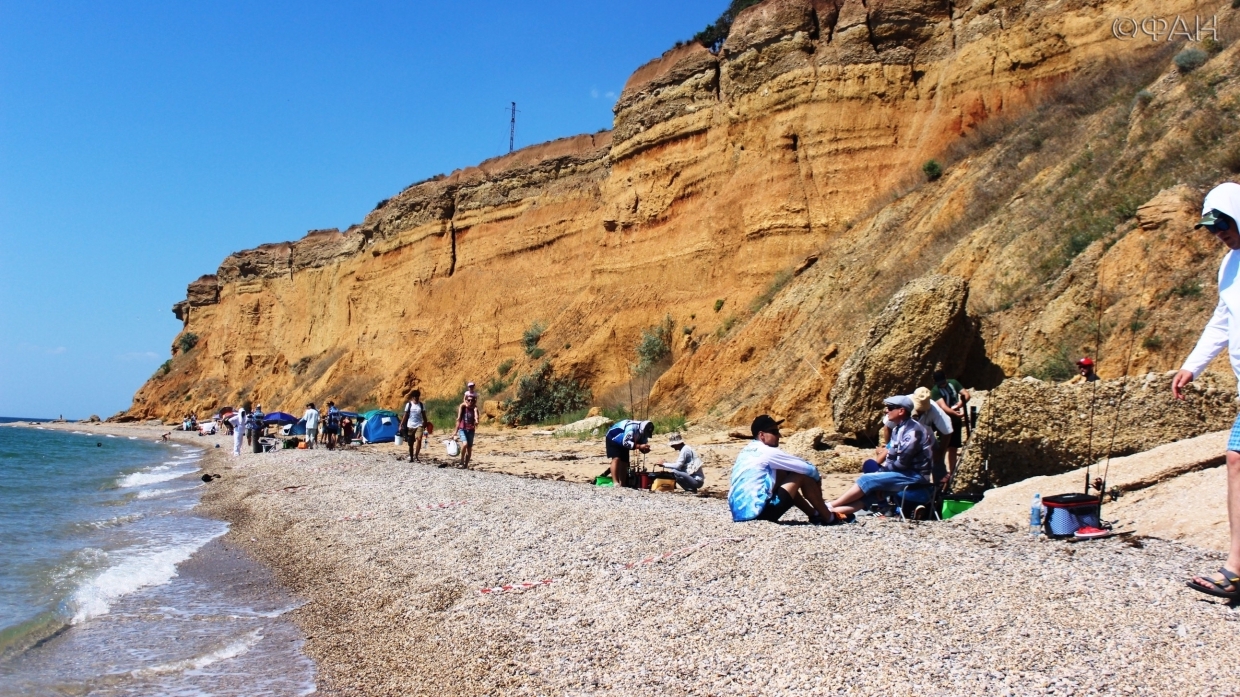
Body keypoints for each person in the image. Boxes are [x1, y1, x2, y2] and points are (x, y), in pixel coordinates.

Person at [1174, 183, 1240, 600]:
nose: (1219, 234)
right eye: (1213, 229)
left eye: (1224, 225)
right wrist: (1192, 365)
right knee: (1236, 460)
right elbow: (1221, 320)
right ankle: (1236, 568)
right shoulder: (1229, 266)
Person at [828, 396, 934, 517]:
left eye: (890, 408)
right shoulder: (897, 429)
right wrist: (882, 476)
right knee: (870, 495)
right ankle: (830, 511)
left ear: (901, 411)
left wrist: (881, 475)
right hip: (906, 473)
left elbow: (902, 463)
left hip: (915, 476)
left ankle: (832, 505)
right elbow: (891, 457)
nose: (886, 411)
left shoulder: (913, 432)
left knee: (866, 479)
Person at [728, 415, 838, 524]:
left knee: (781, 473)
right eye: (774, 432)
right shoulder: (768, 452)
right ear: (762, 435)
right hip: (758, 514)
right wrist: (817, 482)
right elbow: (810, 469)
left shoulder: (746, 450)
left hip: (738, 514)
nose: (779, 435)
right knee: (801, 475)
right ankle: (829, 517)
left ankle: (814, 514)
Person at [930, 370, 970, 475]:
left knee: (953, 447)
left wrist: (959, 405)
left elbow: (966, 394)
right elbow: (943, 407)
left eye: (943, 382)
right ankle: (940, 471)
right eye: (940, 383)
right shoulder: (935, 391)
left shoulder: (953, 383)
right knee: (942, 447)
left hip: (955, 421)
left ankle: (952, 471)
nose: (942, 384)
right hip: (943, 422)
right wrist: (953, 412)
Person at [605, 418, 654, 488]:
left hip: (625, 441)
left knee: (624, 462)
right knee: (616, 458)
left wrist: (644, 450)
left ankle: (623, 483)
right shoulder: (631, 428)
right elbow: (625, 443)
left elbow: (641, 443)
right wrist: (640, 446)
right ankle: (615, 482)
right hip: (613, 438)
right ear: (642, 430)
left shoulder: (643, 433)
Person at [454, 393, 479, 469]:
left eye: (472, 400)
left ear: (474, 401)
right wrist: (455, 432)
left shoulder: (475, 409)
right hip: (462, 429)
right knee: (465, 444)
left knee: (469, 448)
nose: (470, 402)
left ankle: (466, 465)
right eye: (469, 400)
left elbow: (477, 422)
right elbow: (458, 420)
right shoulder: (463, 408)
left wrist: (476, 418)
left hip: (471, 430)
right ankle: (461, 461)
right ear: (466, 401)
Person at [401, 390, 426, 462]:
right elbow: (405, 415)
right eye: (415, 397)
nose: (417, 398)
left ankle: (416, 456)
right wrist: (401, 424)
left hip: (419, 424)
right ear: (412, 397)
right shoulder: (409, 405)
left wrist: (426, 423)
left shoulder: (421, 405)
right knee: (410, 443)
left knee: (419, 439)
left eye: (418, 397)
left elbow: (424, 415)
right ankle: (411, 457)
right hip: (410, 425)